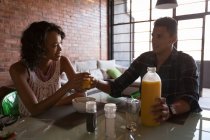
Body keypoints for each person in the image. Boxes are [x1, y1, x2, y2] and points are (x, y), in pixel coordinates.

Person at [92, 17, 202, 122]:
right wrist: (94, 81)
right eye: (153, 36)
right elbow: (117, 87)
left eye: (159, 36)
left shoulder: (186, 61)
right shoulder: (144, 59)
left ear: (173, 38)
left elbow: (190, 98)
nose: (153, 40)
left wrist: (170, 109)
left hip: (177, 122)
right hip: (146, 117)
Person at [9, 21, 89, 116]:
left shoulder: (63, 61)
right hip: (29, 122)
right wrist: (68, 86)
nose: (60, 49)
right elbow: (34, 110)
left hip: (54, 116)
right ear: (38, 47)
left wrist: (85, 83)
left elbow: (80, 92)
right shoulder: (18, 69)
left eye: (60, 43)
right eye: (55, 45)